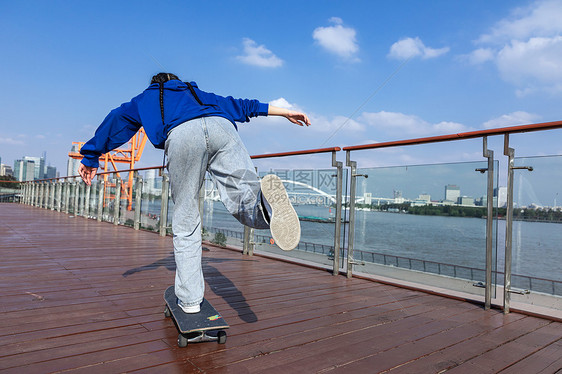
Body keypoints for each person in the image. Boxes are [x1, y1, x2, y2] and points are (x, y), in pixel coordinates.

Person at [78, 72, 310, 313]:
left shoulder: (145, 99)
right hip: (222, 126)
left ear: (155, 84)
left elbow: (116, 120)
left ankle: (189, 303)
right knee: (243, 196)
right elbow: (244, 106)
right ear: (177, 81)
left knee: (186, 219)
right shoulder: (198, 93)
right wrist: (285, 112)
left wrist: (91, 155)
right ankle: (265, 205)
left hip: (182, 135)